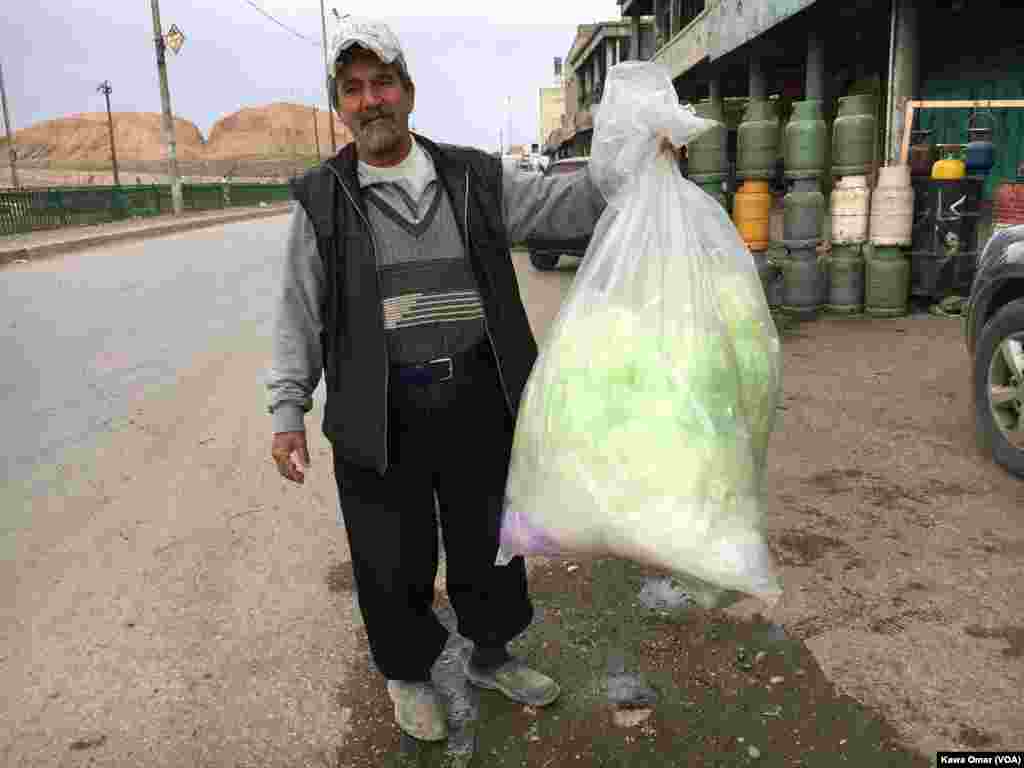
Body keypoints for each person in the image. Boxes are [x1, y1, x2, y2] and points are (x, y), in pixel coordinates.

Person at [265, 18, 680, 743]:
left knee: (489, 539)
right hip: (377, 409)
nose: (371, 101)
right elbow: (298, 308)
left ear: (409, 92)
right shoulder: (322, 200)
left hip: (478, 395)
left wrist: (635, 163)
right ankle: (409, 674)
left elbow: (567, 206)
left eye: (383, 83)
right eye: (354, 89)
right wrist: (287, 409)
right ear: (341, 105)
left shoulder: (473, 177)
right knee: (390, 557)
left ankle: (491, 653)